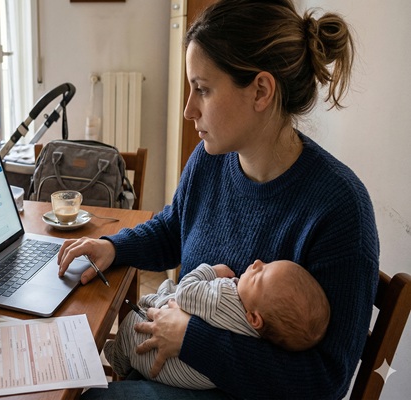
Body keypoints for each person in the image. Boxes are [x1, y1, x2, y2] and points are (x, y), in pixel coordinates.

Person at [57, 0, 379, 398]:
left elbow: (325, 381)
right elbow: (175, 229)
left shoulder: (340, 210)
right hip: (172, 365)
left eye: (203, 89)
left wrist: (192, 339)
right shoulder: (211, 159)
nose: (189, 109)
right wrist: (113, 247)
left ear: (261, 91)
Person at [104, 260, 331, 389]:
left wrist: (210, 271)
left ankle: (117, 357)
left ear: (255, 318)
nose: (257, 263)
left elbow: (186, 292)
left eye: (259, 275)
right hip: (190, 379)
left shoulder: (224, 296)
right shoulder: (261, 333)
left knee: (133, 323)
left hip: (154, 360)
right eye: (266, 264)